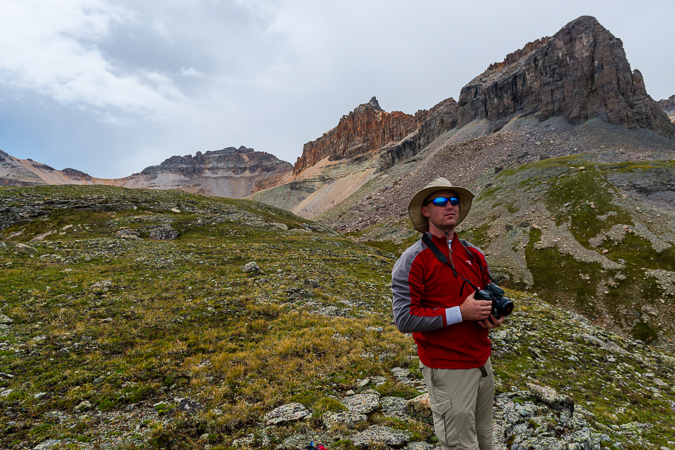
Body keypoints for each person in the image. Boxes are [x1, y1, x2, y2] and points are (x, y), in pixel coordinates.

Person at [391, 177, 504, 450]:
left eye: (454, 201)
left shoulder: (474, 254)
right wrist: (461, 313)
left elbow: (487, 294)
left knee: (486, 439)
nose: (450, 206)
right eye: (441, 201)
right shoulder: (412, 260)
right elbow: (404, 319)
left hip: (481, 362)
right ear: (426, 211)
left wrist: (492, 316)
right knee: (460, 445)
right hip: (447, 367)